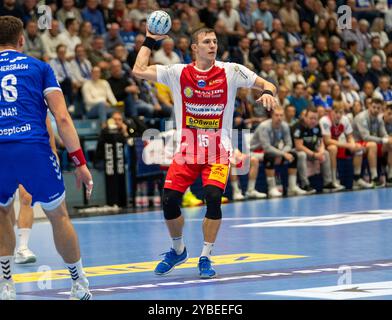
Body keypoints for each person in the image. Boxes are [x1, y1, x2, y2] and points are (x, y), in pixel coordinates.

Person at [132, 27, 277, 278]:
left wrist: (267, 93)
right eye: (206, 42)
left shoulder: (230, 71)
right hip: (188, 149)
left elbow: (268, 83)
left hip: (218, 150)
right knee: (169, 200)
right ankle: (178, 250)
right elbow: (138, 70)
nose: (212, 45)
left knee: (212, 196)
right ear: (194, 48)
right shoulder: (178, 72)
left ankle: (206, 256)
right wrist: (150, 40)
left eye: (215, 41)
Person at [0, 16, 93, 300]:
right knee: (58, 215)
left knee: (2, 212)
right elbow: (62, 117)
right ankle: (78, 284)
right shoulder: (39, 67)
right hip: (33, 147)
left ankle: (6, 285)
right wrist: (80, 162)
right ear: (21, 41)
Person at [11, 114, 60, 264]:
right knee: (5, 205)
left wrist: (53, 150)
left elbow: (44, 117)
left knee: (27, 197)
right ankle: (6, 249)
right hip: (5, 149)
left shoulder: (30, 93)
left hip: (27, 151)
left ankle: (22, 247)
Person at [250, 106, 307, 198]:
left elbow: (289, 144)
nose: (279, 118)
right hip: (256, 151)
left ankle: (292, 187)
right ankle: (272, 188)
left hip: (274, 151)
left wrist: (283, 153)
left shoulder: (284, 126)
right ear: (272, 116)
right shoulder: (264, 126)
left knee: (294, 155)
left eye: (281, 115)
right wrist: (283, 154)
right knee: (270, 156)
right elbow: (266, 147)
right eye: (276, 115)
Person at [320, 102, 372, 190]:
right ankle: (334, 180)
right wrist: (347, 145)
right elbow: (327, 141)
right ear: (331, 111)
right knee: (333, 148)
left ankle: (356, 177)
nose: (338, 115)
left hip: (338, 143)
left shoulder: (344, 119)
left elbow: (350, 136)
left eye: (341, 112)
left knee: (358, 148)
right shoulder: (325, 120)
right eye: (336, 112)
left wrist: (352, 144)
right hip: (322, 145)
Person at [292, 106, 344, 194]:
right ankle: (305, 184)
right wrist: (314, 154)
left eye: (315, 119)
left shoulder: (317, 126)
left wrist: (321, 151)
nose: (313, 121)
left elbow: (321, 142)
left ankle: (327, 183)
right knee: (302, 154)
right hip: (297, 152)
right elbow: (299, 146)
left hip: (312, 151)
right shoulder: (298, 127)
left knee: (326, 154)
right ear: (305, 117)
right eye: (311, 118)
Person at [353, 98, 392, 187]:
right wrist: (384, 140)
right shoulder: (361, 117)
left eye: (378, 108)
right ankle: (375, 178)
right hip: (357, 143)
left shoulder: (379, 118)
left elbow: (384, 134)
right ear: (369, 106)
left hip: (370, 143)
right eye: (374, 107)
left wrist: (388, 139)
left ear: (381, 109)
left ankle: (390, 176)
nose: (376, 110)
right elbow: (365, 137)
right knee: (373, 145)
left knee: (390, 144)